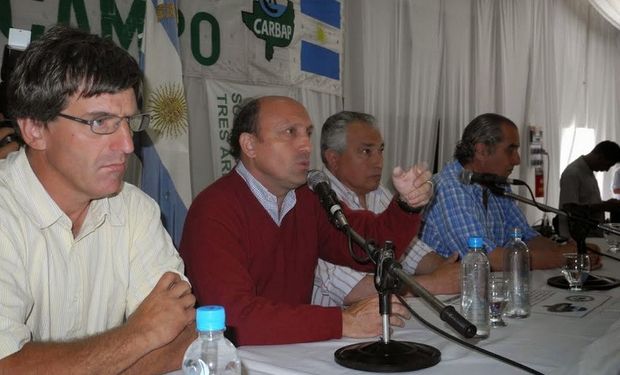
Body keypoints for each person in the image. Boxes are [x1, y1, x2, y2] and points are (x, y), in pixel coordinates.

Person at [0, 26, 196, 374]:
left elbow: (185, 337)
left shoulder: (135, 209)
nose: (127, 145)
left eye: (129, 121)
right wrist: (139, 335)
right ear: (34, 129)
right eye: (100, 121)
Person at [179, 96, 433, 346]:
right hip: (232, 360)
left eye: (307, 133)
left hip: (294, 349)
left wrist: (406, 205)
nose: (306, 146)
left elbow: (366, 247)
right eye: (290, 132)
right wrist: (343, 321)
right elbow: (233, 319)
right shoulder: (213, 211)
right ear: (250, 145)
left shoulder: (306, 199)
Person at [312, 111, 459, 307]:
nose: (378, 162)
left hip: (385, 314)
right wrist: (435, 283)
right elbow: (345, 288)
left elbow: (408, 250)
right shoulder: (315, 199)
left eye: (380, 150)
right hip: (339, 326)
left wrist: (451, 271)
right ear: (333, 158)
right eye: (366, 151)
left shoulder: (378, 192)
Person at [420, 113, 594, 271]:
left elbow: (527, 238)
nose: (517, 160)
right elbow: (486, 258)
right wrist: (565, 258)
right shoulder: (448, 188)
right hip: (453, 297)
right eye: (511, 150)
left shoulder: (497, 185)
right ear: (481, 150)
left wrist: (573, 251)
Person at [558, 141, 620, 237]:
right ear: (600, 156)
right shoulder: (573, 173)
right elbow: (569, 209)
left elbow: (586, 202)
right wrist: (604, 206)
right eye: (607, 165)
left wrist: (607, 204)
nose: (607, 170)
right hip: (577, 238)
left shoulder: (588, 172)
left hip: (590, 234)